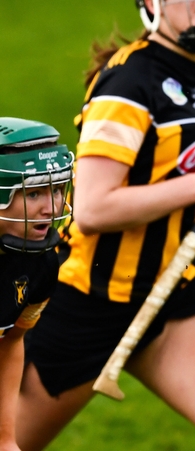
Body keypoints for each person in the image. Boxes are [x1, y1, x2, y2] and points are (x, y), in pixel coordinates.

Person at [16, 1, 195, 450]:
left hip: (167, 292)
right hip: (84, 302)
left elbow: (188, 161)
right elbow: (93, 208)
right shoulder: (127, 85)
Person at [0, 117, 73, 451]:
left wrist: (5, 438)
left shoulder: (41, 262)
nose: (51, 207)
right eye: (34, 193)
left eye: (57, 190)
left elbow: (11, 341)